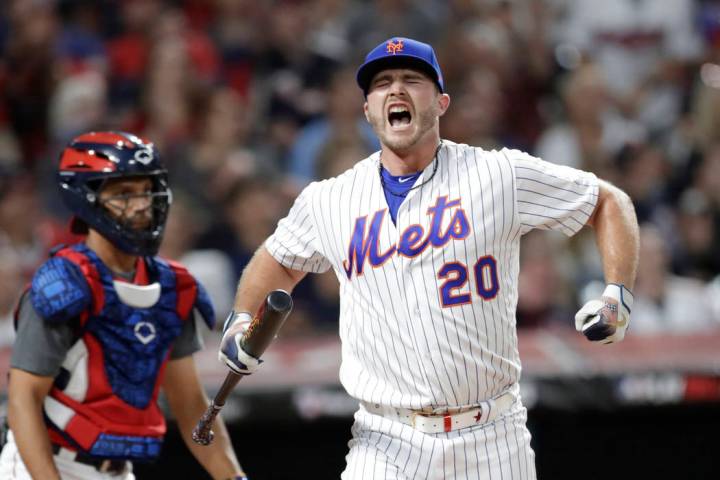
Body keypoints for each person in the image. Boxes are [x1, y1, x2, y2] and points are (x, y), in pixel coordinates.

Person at [219, 37, 639, 479]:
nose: (395, 90)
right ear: (368, 110)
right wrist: (242, 319)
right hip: (384, 439)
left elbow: (607, 202)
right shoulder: (329, 199)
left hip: (492, 437)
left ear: (441, 102)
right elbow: (279, 260)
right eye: (382, 83)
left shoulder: (497, 174)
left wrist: (617, 296)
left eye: (411, 80)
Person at [0, 131, 247, 480]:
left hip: (116, 471)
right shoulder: (62, 284)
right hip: (42, 463)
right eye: (123, 194)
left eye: (146, 190)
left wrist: (233, 476)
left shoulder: (173, 289)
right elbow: (23, 401)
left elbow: (191, 404)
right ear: (87, 199)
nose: (141, 205)